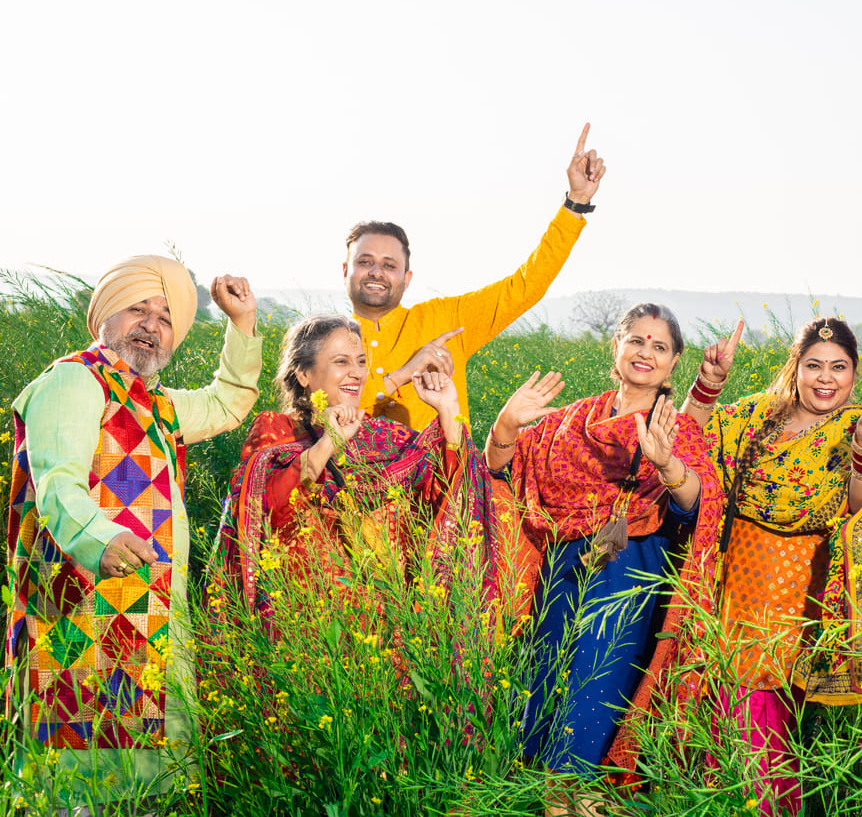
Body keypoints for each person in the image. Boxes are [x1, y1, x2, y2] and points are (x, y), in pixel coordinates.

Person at [4, 256, 261, 804]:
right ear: (103, 317)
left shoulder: (156, 403)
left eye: (166, 316)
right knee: (82, 769)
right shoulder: (74, 379)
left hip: (149, 604)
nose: (151, 324)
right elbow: (57, 483)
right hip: (77, 606)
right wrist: (99, 539)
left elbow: (225, 404)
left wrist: (241, 326)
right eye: (137, 308)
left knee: (151, 775)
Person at [486, 303, 724, 815]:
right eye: (637, 340)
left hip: (629, 577)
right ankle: (542, 799)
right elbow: (501, 472)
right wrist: (505, 424)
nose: (646, 353)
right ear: (615, 347)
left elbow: (695, 509)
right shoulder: (572, 419)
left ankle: (575, 801)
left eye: (660, 346)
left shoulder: (675, 427)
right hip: (563, 575)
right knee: (545, 689)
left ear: (674, 362)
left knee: (594, 695)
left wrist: (666, 463)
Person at [682, 316, 862, 816]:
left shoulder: (858, 424)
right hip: (734, 577)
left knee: (766, 717)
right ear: (796, 368)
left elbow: (861, 505)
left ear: (855, 373)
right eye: (814, 366)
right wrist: (708, 384)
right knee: (720, 705)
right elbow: (686, 442)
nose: (826, 378)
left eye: (839, 368)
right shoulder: (758, 413)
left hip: (800, 585)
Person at [212, 314, 496, 622]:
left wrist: (448, 410)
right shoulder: (276, 430)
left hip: (382, 626)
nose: (357, 373)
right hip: (300, 626)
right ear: (304, 374)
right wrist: (328, 443)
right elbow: (262, 511)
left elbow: (446, 494)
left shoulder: (385, 435)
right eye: (341, 362)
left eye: (361, 362)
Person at [346, 123, 607, 430]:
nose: (377, 272)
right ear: (345, 270)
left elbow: (525, 286)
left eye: (390, 265)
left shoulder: (445, 319)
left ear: (407, 277)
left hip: (446, 478)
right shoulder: (326, 342)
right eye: (365, 261)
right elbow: (324, 419)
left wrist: (575, 204)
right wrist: (402, 374)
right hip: (355, 477)